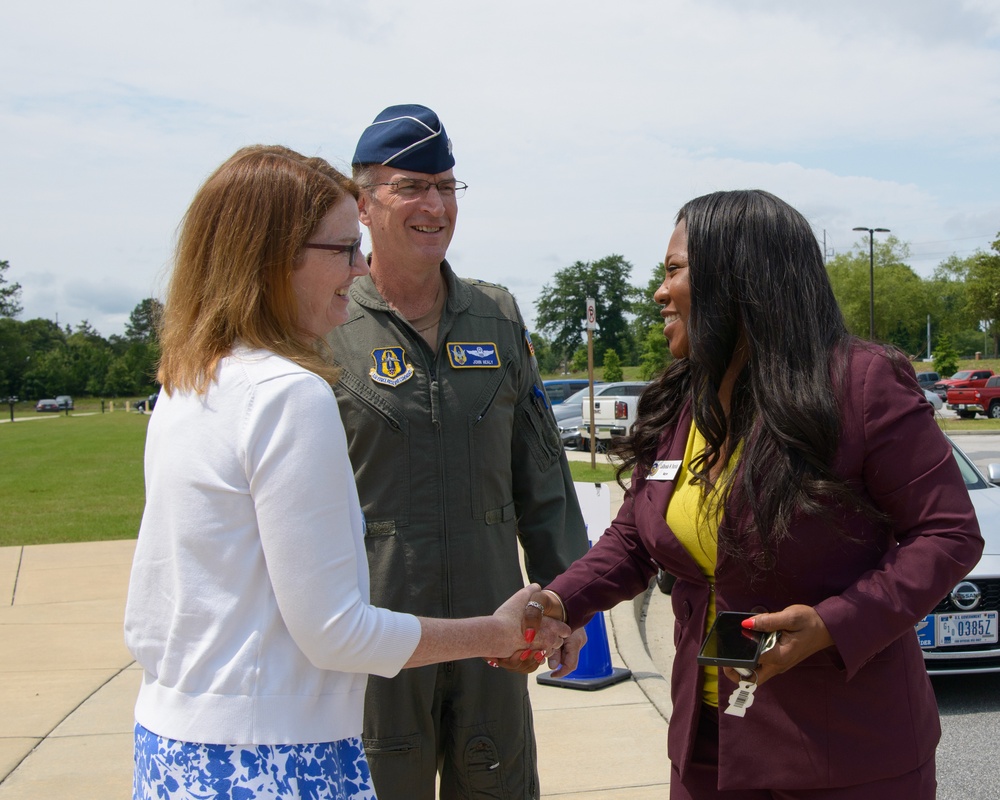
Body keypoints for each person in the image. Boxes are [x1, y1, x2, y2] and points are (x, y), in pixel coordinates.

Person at [123, 145, 568, 800]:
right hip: (274, 758)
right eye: (342, 249)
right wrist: (498, 632)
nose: (360, 267)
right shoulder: (286, 392)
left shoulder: (190, 381)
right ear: (275, 260)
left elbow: (155, 607)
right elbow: (337, 632)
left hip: (176, 750)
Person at [523, 189, 984, 799]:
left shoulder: (860, 384)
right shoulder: (684, 400)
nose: (659, 293)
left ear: (737, 277)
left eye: (674, 270)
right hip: (709, 743)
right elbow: (637, 535)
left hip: (845, 753)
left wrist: (831, 623)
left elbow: (947, 534)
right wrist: (557, 602)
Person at [324, 104, 590, 800]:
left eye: (447, 186)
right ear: (363, 202)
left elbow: (542, 473)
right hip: (379, 633)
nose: (435, 204)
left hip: (496, 627)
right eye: (412, 185)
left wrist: (569, 599)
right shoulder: (326, 321)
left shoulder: (495, 317)